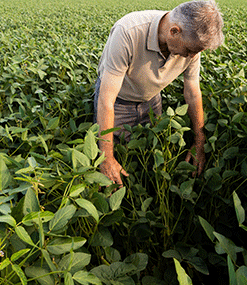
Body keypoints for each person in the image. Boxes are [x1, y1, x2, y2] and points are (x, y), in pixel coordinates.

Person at [94, 1, 224, 186]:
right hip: (118, 101)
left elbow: (193, 93)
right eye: (188, 51)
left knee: (147, 155)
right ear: (174, 31)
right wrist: (106, 158)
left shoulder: (192, 43)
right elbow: (106, 100)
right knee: (114, 167)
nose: (190, 56)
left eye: (195, 52)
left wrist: (200, 140)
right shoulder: (129, 31)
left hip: (151, 98)